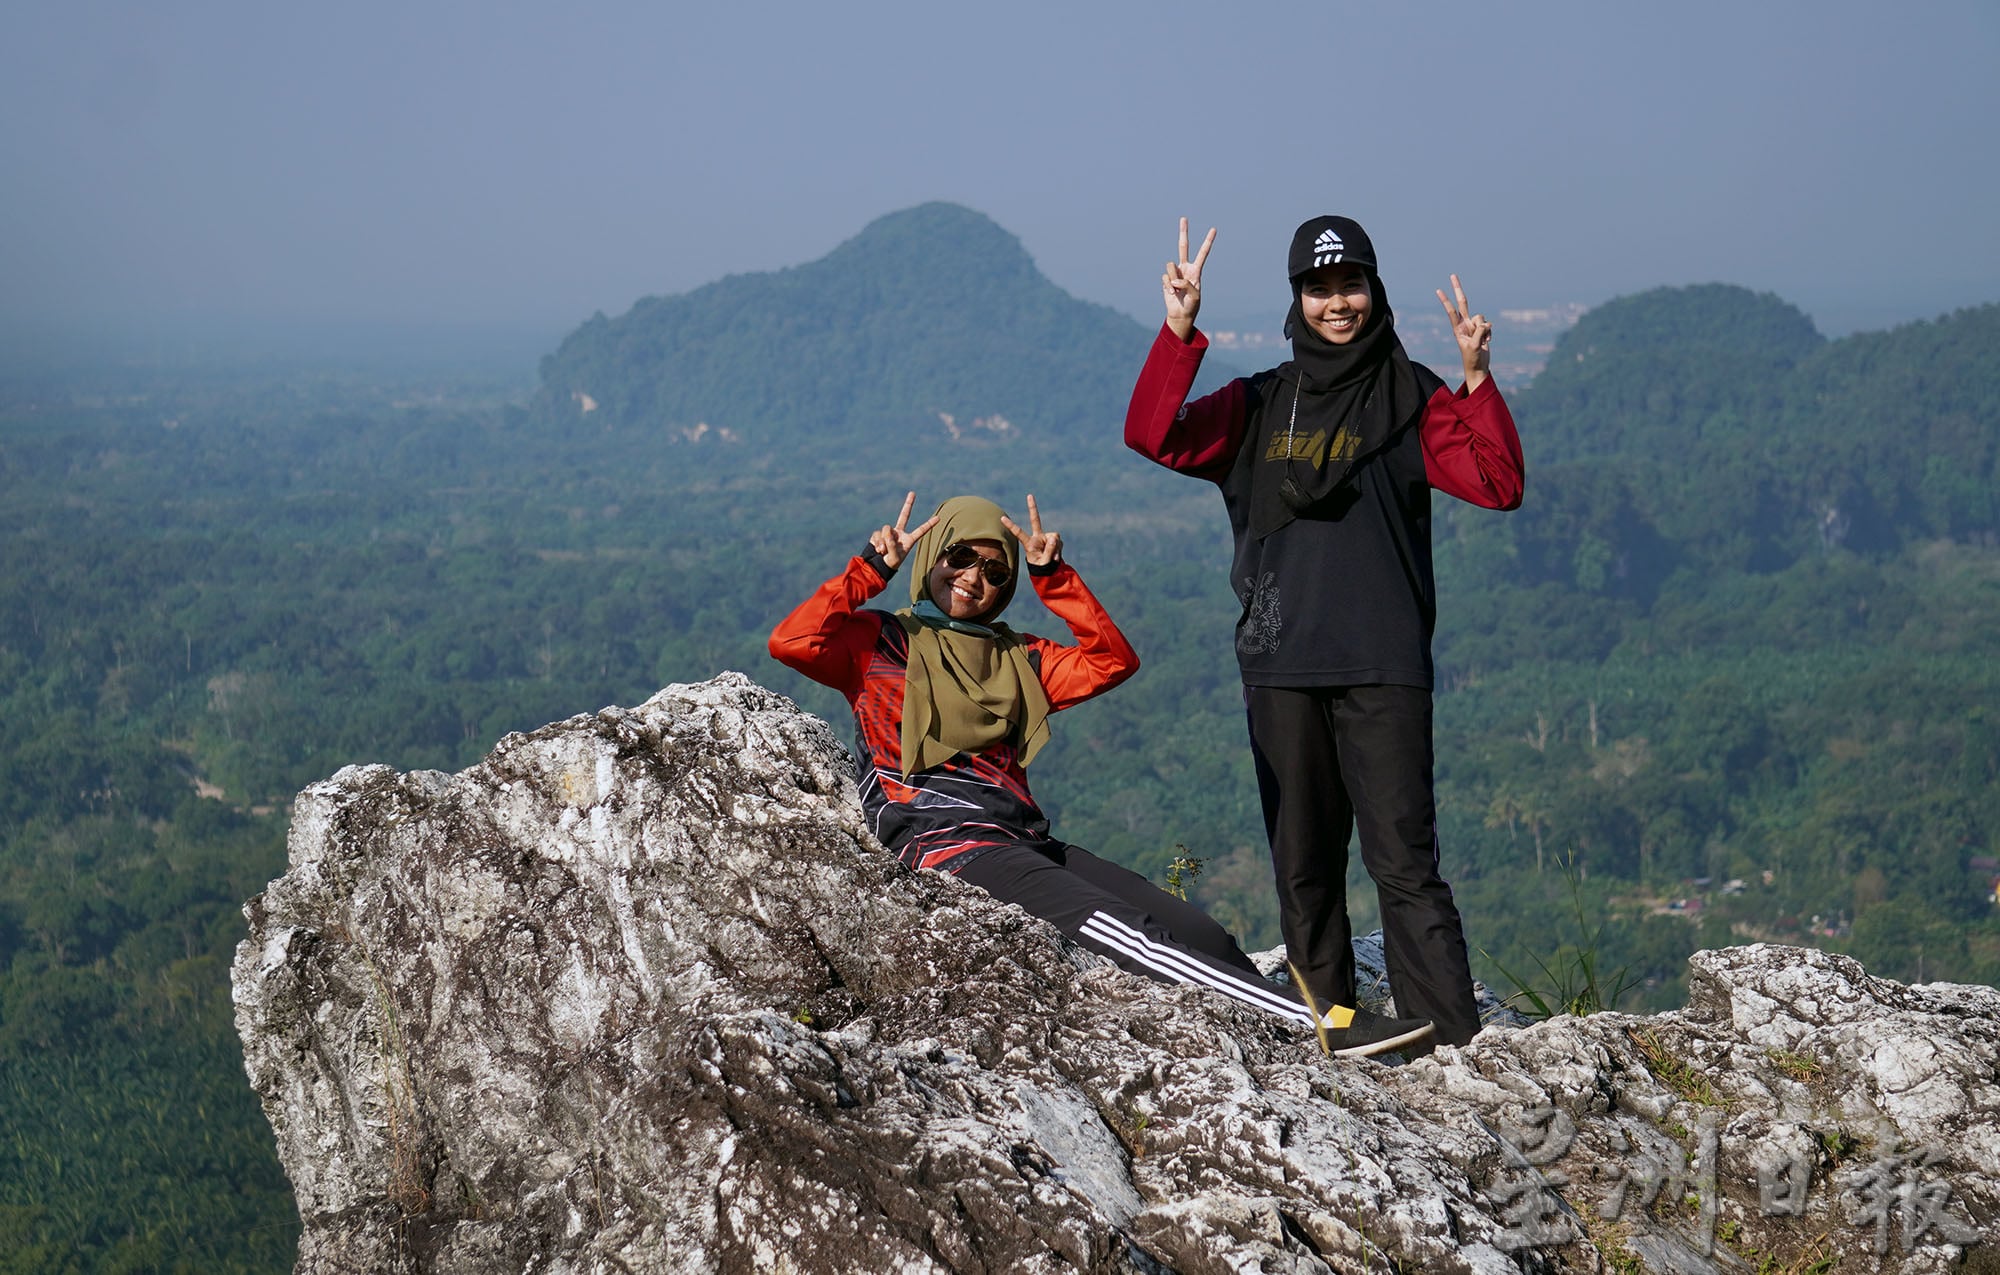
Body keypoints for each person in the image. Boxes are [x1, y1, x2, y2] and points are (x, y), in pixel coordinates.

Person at [768, 492, 1423, 1054]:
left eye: (996, 570)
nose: (973, 577)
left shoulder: (1019, 657)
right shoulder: (876, 643)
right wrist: (868, 568)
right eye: (958, 555)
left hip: (1022, 841)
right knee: (1125, 932)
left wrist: (1054, 576)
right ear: (931, 553)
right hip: (950, 849)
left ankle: (1269, 1034)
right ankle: (1323, 1027)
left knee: (1203, 935)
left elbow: (1111, 660)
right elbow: (793, 641)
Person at [1123, 216, 1526, 1051]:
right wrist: (1178, 329)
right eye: (1318, 287)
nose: (1336, 302)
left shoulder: (1413, 396)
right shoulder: (1261, 401)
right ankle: (1333, 1026)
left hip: (1383, 662)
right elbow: (1154, 434)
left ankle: (1451, 1042)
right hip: (1281, 662)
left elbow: (1496, 482)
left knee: (1404, 864)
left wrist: (1477, 381)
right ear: (1297, 297)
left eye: (1350, 285)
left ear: (1375, 291)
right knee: (1304, 869)